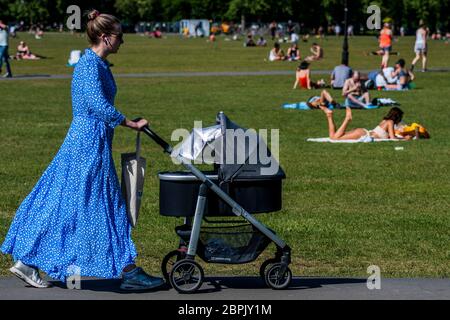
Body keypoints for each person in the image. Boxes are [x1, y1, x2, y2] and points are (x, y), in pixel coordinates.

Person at [1, 10, 165, 291]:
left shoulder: (97, 64)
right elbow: (96, 106)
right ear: (105, 37)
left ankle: (28, 261)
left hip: (90, 141)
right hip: (87, 143)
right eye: (119, 36)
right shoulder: (89, 65)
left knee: (71, 202)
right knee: (104, 202)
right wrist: (130, 123)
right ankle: (127, 270)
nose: (122, 42)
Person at [320, 106, 408, 141]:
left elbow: (388, 135)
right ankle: (347, 119)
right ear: (397, 116)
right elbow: (392, 138)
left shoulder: (384, 121)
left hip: (362, 132)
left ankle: (329, 115)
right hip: (363, 134)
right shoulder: (390, 122)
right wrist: (404, 139)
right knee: (335, 138)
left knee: (333, 137)